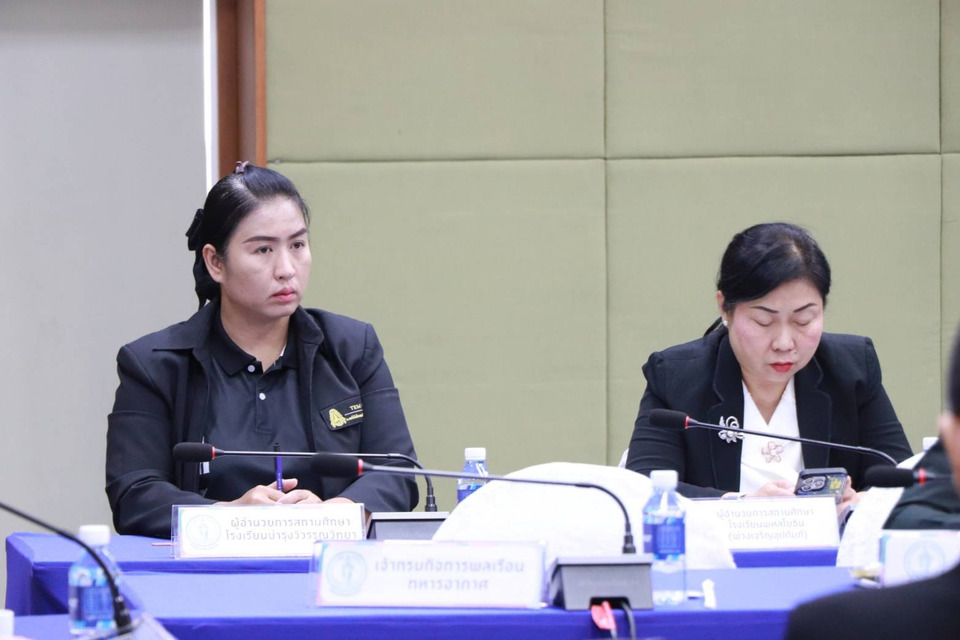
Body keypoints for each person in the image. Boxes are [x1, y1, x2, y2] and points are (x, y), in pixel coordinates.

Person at [106, 162, 419, 538]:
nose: (286, 269)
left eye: (297, 245)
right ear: (215, 262)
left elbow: (399, 473)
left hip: (331, 563)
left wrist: (333, 513)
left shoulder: (352, 347)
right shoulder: (154, 364)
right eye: (263, 250)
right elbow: (134, 494)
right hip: (207, 571)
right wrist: (228, 516)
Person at [625, 223, 911, 506]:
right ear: (725, 307)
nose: (784, 343)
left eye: (804, 320)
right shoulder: (676, 377)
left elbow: (900, 476)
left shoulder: (852, 370)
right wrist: (743, 505)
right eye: (764, 321)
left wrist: (857, 503)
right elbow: (644, 486)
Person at [784, 326, 960, 640]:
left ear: (950, 439)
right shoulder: (685, 373)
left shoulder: (837, 627)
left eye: (803, 316)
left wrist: (863, 511)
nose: (784, 342)